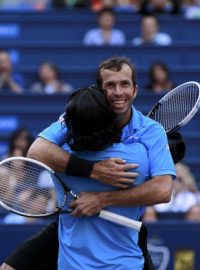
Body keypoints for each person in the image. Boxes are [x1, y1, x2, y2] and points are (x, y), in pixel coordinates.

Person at [1, 56, 179, 270]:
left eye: (125, 84)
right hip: (73, 223)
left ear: (135, 90)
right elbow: (37, 151)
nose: (118, 92)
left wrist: (101, 199)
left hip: (121, 229)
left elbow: (163, 189)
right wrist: (94, 171)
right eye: (110, 85)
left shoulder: (150, 131)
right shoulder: (78, 117)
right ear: (99, 90)